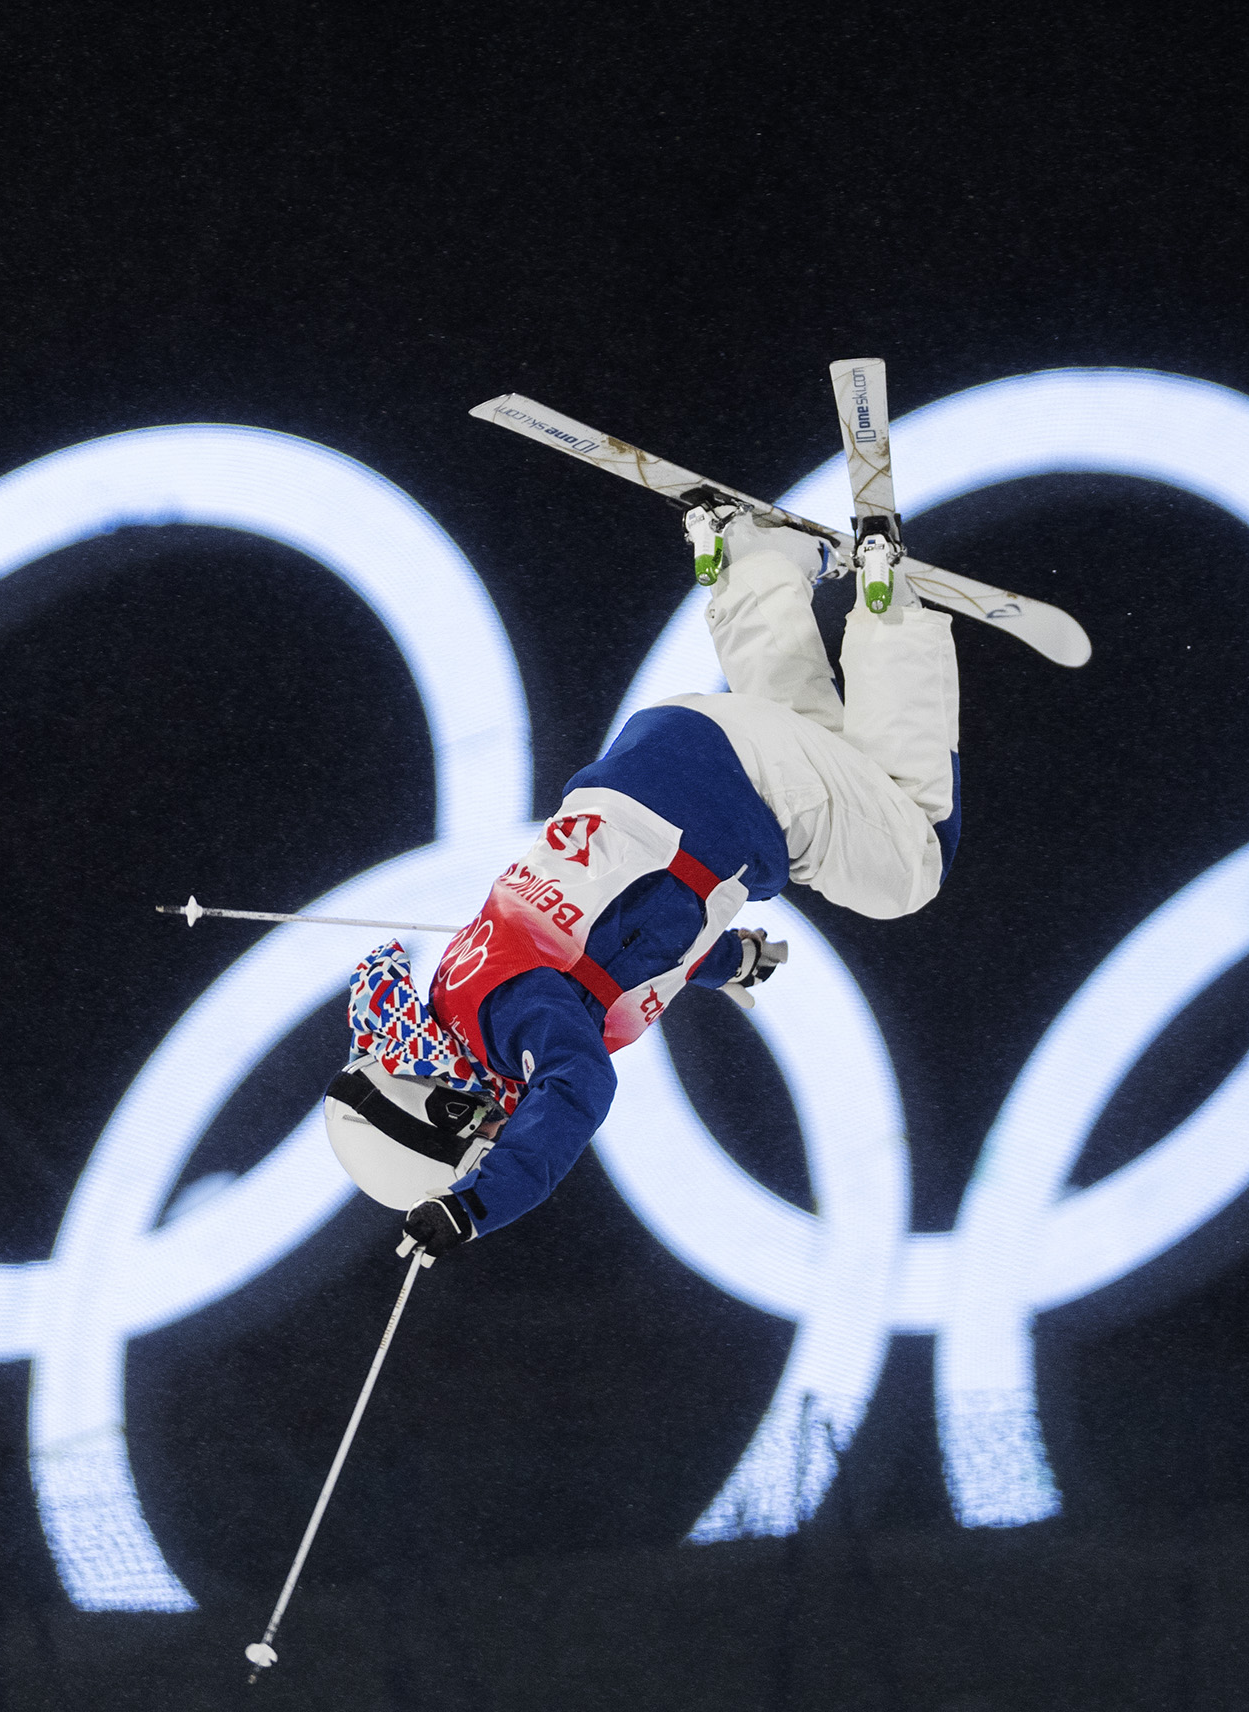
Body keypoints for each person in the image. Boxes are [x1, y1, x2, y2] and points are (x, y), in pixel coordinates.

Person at [320, 506, 960, 1257]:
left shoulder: (507, 1025)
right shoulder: (470, 992)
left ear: (445, 1110)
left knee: (907, 867)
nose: (502, 1129)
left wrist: (474, 1208)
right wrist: (726, 963)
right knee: (831, 775)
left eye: (481, 1140)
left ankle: (893, 606)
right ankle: (755, 564)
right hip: (678, 746)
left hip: (740, 790)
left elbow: (579, 1086)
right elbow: (618, 942)